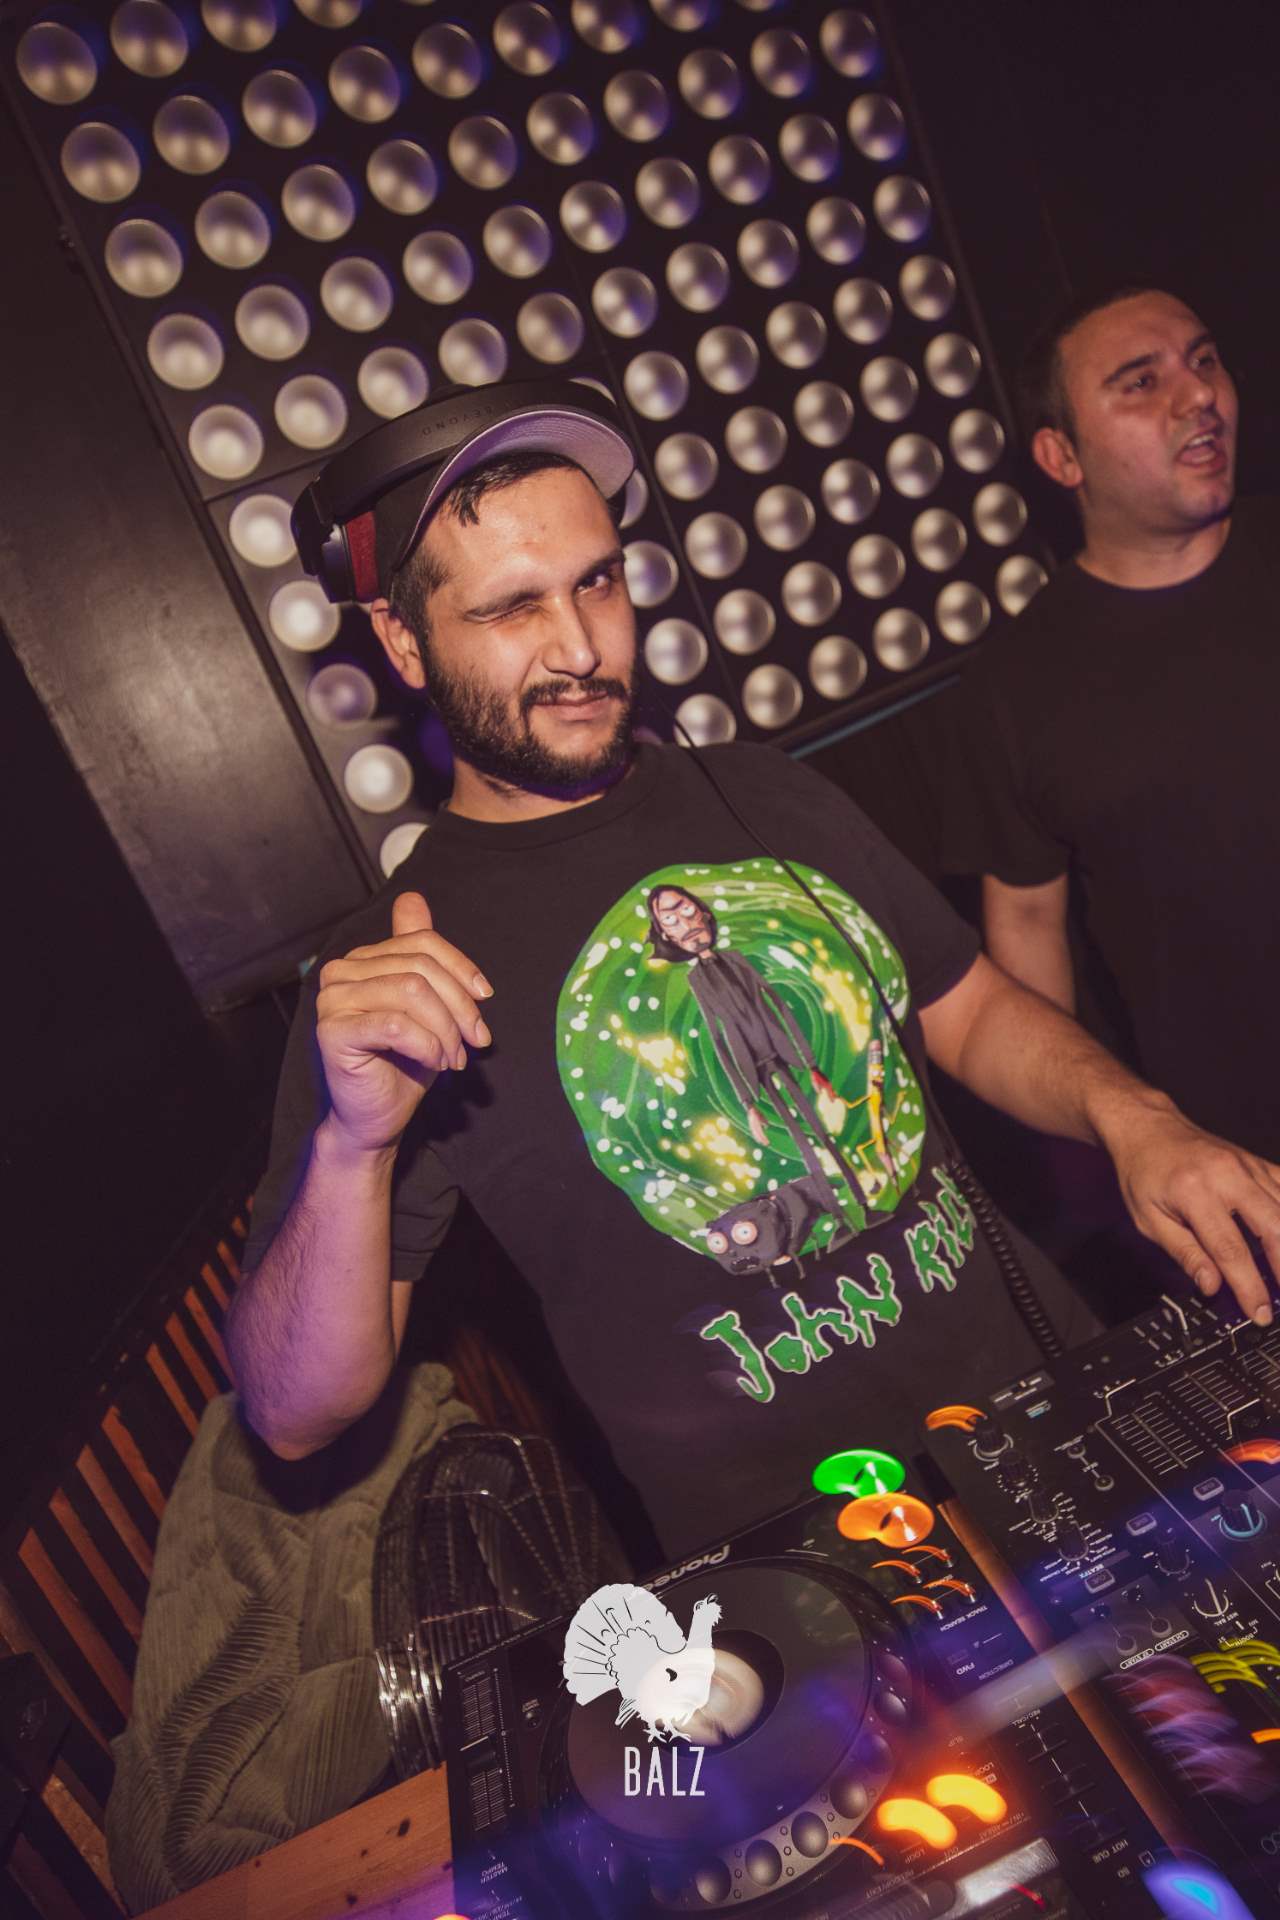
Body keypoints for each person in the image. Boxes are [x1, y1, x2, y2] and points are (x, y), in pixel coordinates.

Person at [228, 379, 1280, 1560]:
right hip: (811, 1571)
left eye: (597, 581)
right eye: (511, 607)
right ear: (402, 642)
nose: (579, 646)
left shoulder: (763, 791)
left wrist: (1136, 1119)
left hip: (1053, 1416)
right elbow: (294, 1412)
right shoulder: (387, 972)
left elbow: (969, 1008)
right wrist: (352, 1146)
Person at [944, 284, 1280, 1161]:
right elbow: (1026, 927)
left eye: (1204, 361)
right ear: (1062, 457)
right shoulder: (1015, 686)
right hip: (1249, 1164)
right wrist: (1097, 1147)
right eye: (1142, 381)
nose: (1199, 394)